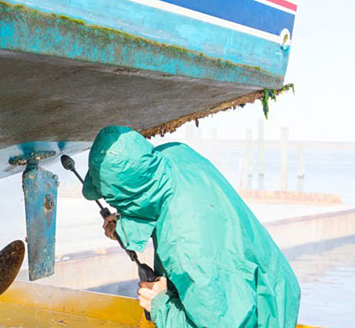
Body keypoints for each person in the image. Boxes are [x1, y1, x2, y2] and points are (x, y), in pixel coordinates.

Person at [81, 126, 301, 327]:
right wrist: (126, 226)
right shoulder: (175, 155)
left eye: (114, 199)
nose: (112, 204)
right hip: (270, 288)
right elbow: (156, 199)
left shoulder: (188, 252)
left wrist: (160, 305)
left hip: (264, 317)